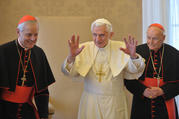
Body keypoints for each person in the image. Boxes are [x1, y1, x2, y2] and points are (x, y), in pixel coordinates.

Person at [61, 18, 145, 119]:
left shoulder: (122, 48)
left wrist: (133, 56)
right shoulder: (83, 48)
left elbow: (135, 70)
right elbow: (70, 73)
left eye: (102, 35)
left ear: (111, 34)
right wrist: (71, 57)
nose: (97, 39)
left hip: (114, 101)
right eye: (94, 34)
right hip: (90, 101)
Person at [0, 15, 55, 119]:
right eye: (29, 35)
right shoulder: (3, 51)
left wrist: (43, 115)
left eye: (36, 34)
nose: (33, 39)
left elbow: (42, 90)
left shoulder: (39, 54)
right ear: (18, 32)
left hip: (27, 110)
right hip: (4, 109)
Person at [124, 23, 179, 119]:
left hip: (164, 103)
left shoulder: (174, 54)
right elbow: (128, 79)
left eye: (155, 38)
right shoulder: (137, 52)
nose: (150, 42)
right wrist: (143, 90)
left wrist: (162, 90)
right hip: (142, 102)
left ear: (163, 38)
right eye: (148, 37)